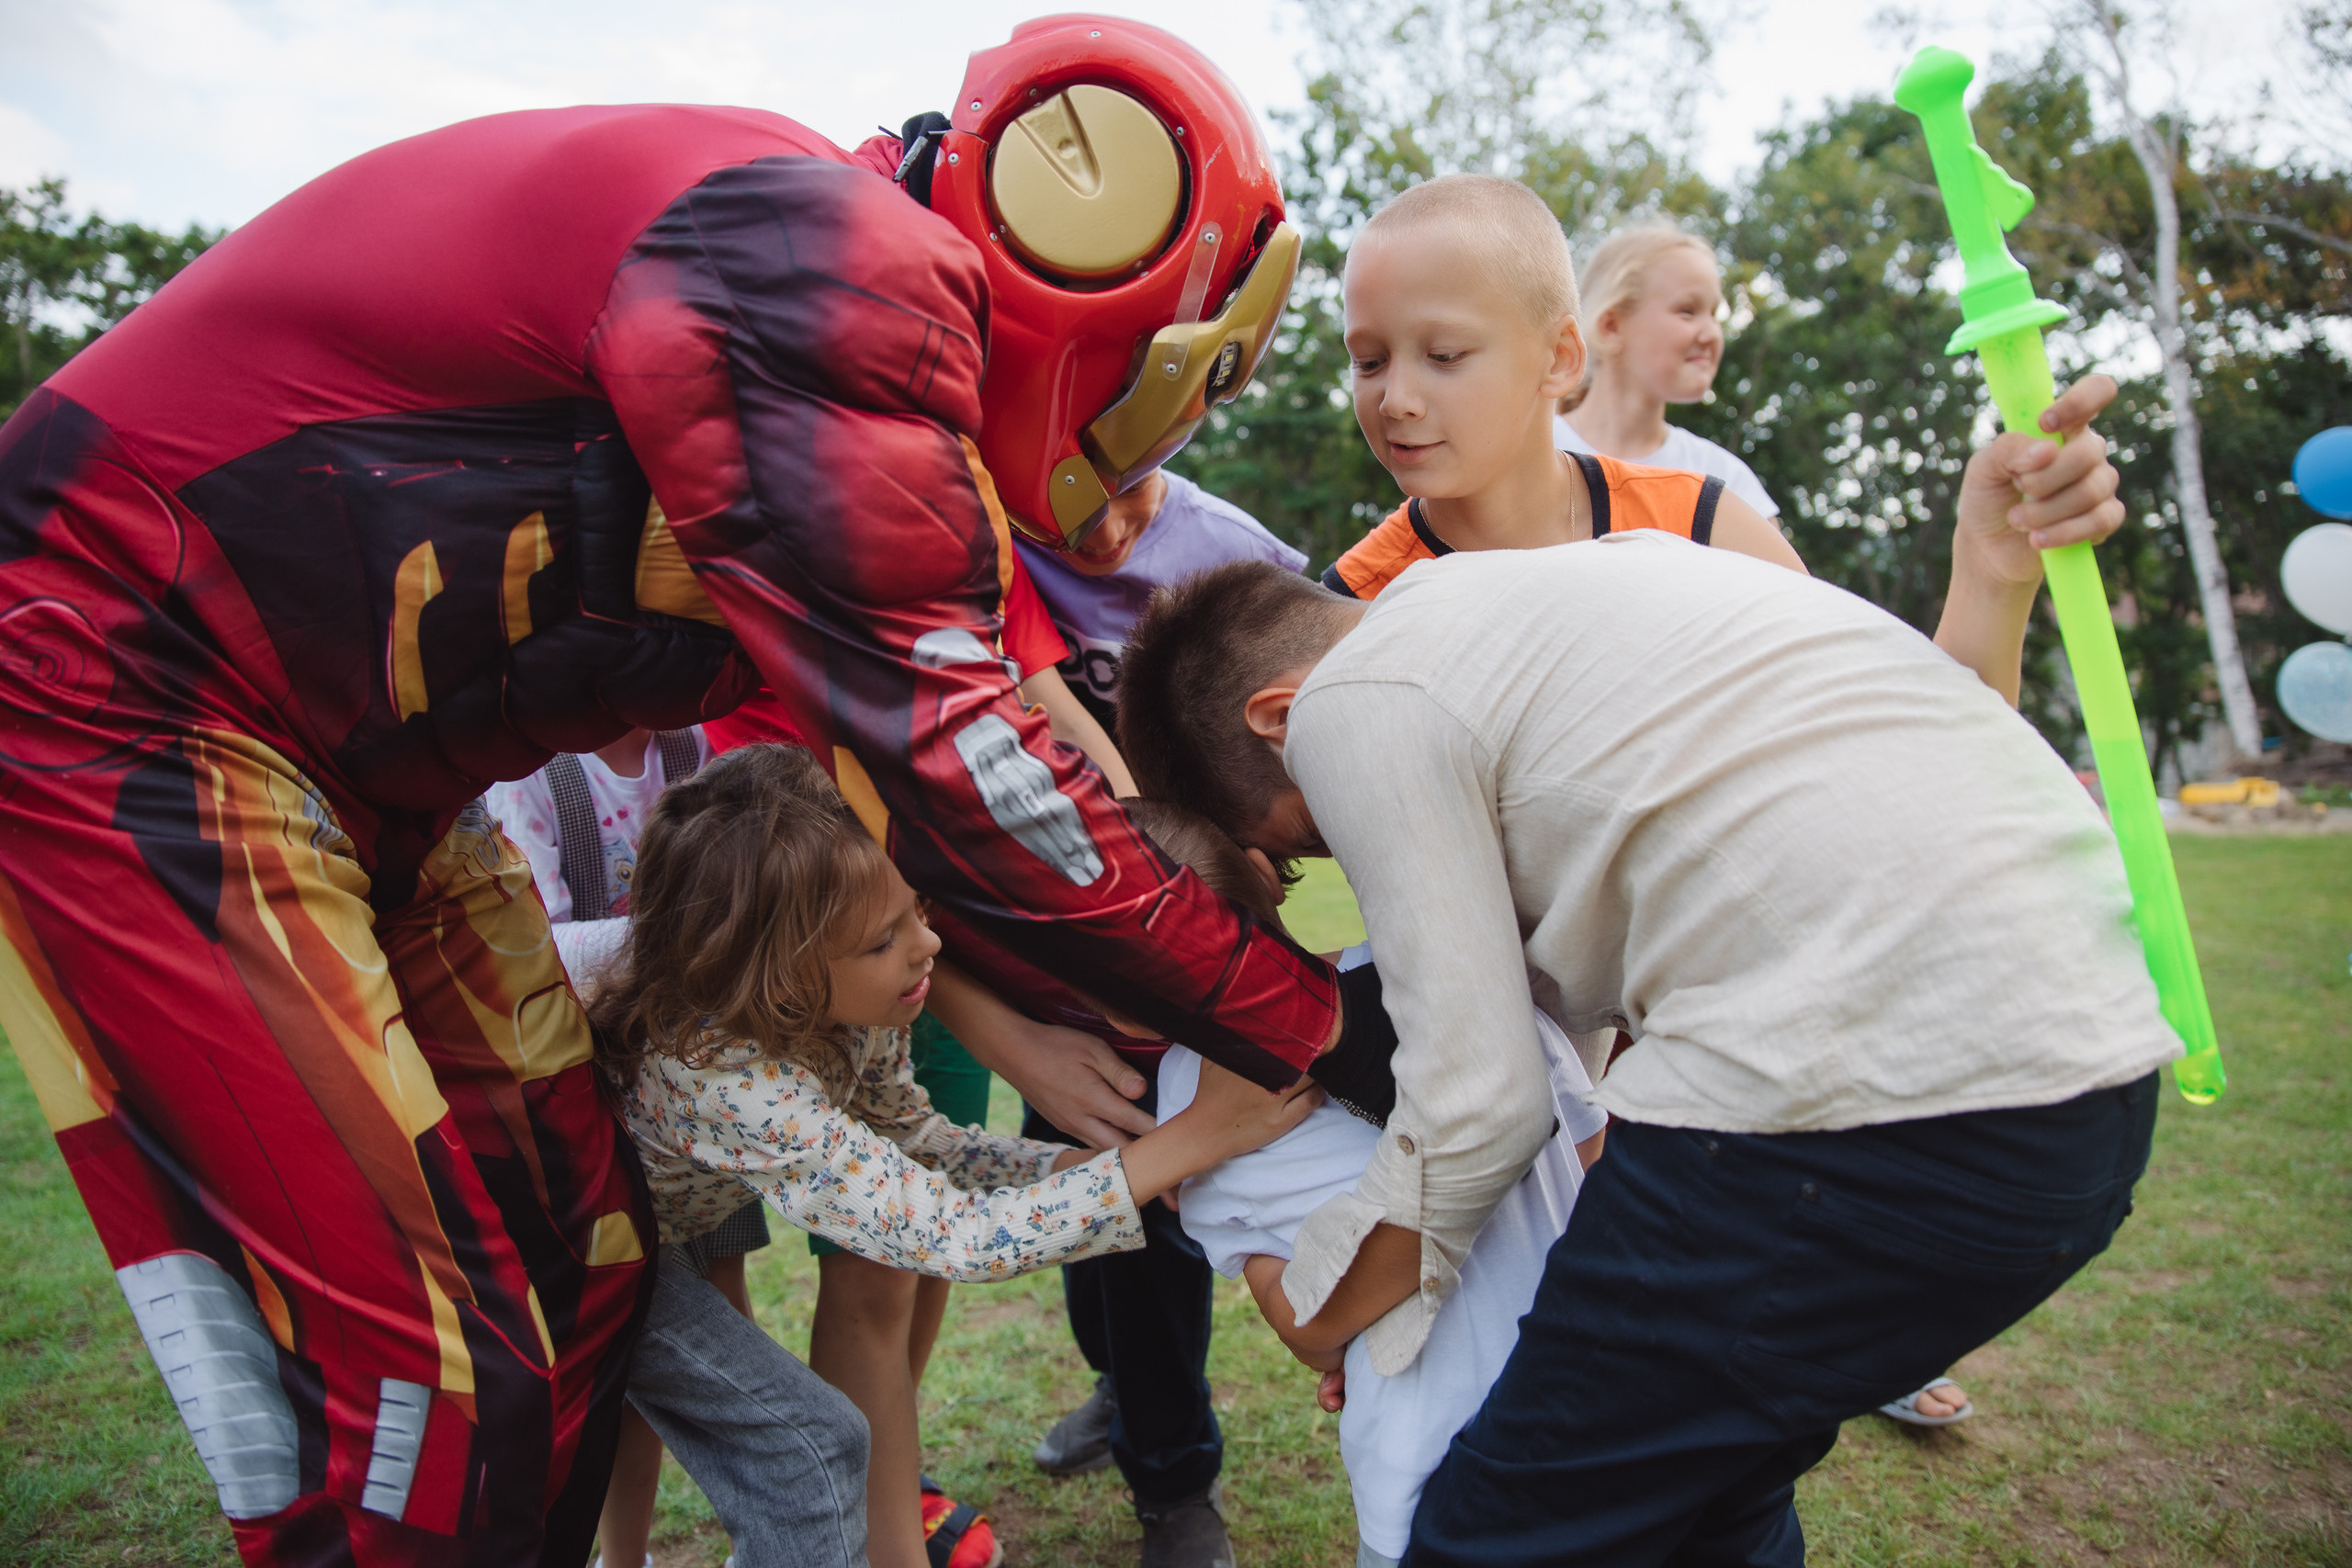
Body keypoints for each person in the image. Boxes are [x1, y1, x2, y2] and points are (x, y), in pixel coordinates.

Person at [0, 20, 1356, 1561]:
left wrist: (1158, 1010)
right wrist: (1319, 1024)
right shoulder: (828, 259)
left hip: (361, 772)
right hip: (129, 680)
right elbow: (969, 778)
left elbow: (1006, 758)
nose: (1143, 453)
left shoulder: (835, 382)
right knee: (431, 1374)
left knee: (584, 1279)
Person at [1115, 538, 2179, 1566]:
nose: (1345, 850)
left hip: (1851, 1122)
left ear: (1283, 717)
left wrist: (1352, 1323)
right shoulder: (1585, 583)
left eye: (1314, 834)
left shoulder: (1355, 700)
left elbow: (1482, 1106)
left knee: (1498, 1533)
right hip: (2089, 1098)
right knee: (1711, 1499)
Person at [587, 743, 1323, 1567]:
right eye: (882, 941)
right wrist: (1192, 1138)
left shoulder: (857, 1011)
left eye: (919, 911)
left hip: (646, 1221)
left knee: (808, 1444)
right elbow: (955, 1235)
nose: (926, 946)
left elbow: (927, 1150)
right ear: (780, 976)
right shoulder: (720, 1073)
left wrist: (1134, 1165)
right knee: (810, 1448)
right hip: (579, 1245)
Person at [1556, 218, 1971, 1428]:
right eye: (1688, 306)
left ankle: (1851, 1338)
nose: (1713, 326)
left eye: (1717, 305)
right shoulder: (1515, 453)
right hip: (1563, 847)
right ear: (1612, 321)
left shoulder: (1722, 484)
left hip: (1704, 841)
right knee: (1565, 1113)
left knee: (1780, 1100)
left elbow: (1789, 651)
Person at [1125, 801, 1608, 1568]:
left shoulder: (1188, 1104)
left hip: (1430, 1456)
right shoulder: (1447, 979)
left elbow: (1305, 1325)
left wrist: (1343, 1340)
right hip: (1612, 1404)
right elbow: (1591, 1167)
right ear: (1261, 874)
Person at [1011, 466, 1302, 1566]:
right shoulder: (981, 554)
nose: (1106, 530)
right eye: (1072, 497)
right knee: (1079, 1196)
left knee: (1154, 1211)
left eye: (1130, 493)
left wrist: (1249, 859)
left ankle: (1174, 1483)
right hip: (1055, 944)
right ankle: (1119, 1387)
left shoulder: (1236, 551)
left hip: (1202, 933)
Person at [482, 725, 780, 1568]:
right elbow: (532, 949)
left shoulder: (693, 751)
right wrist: (702, 949)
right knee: (619, 1346)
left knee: (723, 1298)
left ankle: (760, 1528)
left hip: (699, 1097)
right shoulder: (534, 773)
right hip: (583, 1107)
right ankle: (625, 1554)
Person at [1551, 223, 1780, 521]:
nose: (1712, 334)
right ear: (1611, 327)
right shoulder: (1530, 454)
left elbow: (1777, 570)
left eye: (1714, 315)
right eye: (1687, 310)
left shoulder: (1726, 481)